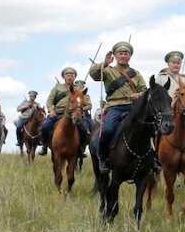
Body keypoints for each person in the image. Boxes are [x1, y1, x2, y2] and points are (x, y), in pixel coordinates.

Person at [89, 41, 148, 174]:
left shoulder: (136, 73)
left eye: (126, 54)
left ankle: (153, 159)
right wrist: (104, 63)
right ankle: (103, 159)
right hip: (115, 107)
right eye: (120, 53)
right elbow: (94, 75)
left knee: (150, 128)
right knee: (107, 130)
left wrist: (139, 94)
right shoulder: (108, 70)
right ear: (115, 55)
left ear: (130, 56)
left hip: (133, 107)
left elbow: (144, 90)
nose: (123, 56)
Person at [39, 68, 90, 155]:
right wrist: (51, 110)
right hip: (58, 113)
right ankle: (44, 146)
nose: (70, 77)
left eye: (72, 75)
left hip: (73, 114)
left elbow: (85, 103)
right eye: (68, 75)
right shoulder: (57, 87)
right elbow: (50, 101)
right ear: (64, 77)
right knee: (45, 126)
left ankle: (81, 149)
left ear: (74, 77)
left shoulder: (79, 89)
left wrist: (80, 110)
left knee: (84, 129)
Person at [73, 80, 94, 159]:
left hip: (85, 115)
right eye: (78, 87)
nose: (79, 88)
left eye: (81, 87)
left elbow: (90, 106)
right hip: (75, 115)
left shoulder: (86, 96)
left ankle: (88, 147)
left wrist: (81, 109)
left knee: (93, 128)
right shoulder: (74, 95)